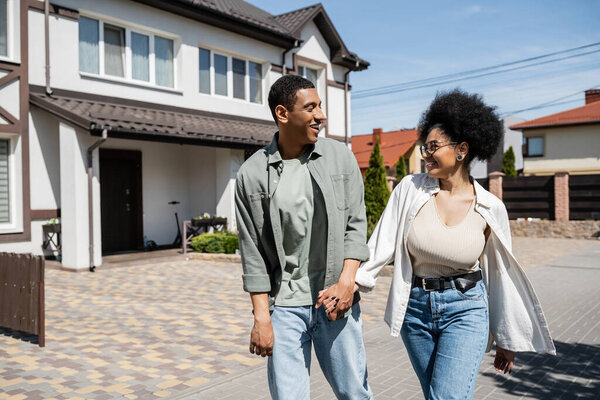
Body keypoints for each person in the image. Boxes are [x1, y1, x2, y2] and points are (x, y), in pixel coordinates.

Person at [322, 89, 556, 399]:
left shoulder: (490, 207)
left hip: (467, 308)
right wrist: (351, 284)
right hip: (415, 310)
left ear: (462, 149)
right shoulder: (410, 189)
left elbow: (500, 276)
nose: (425, 155)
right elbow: (380, 244)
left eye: (433, 147)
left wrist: (506, 337)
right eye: (424, 147)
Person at [235, 75, 372, 400]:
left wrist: (347, 283)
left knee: (354, 393)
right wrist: (261, 318)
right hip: (284, 308)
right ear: (283, 113)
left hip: (334, 300)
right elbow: (252, 253)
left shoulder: (340, 158)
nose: (321, 115)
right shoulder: (252, 174)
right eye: (310, 107)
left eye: (320, 106)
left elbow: (356, 223)